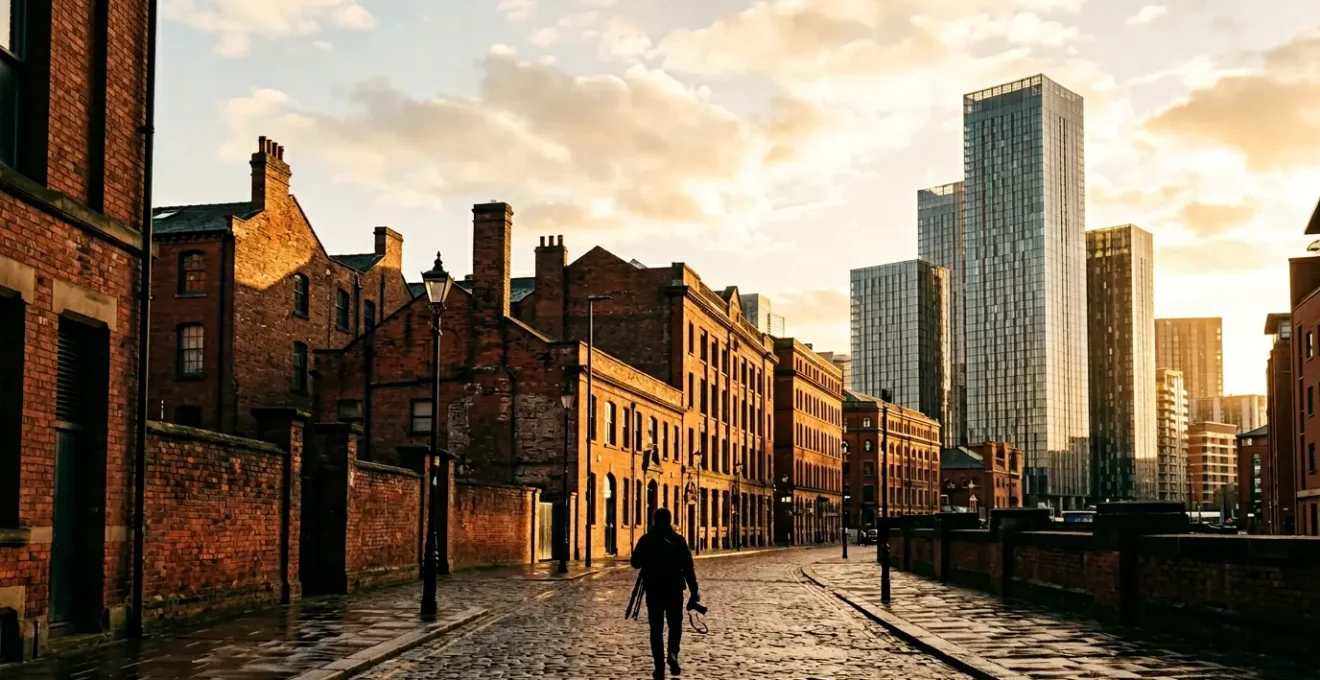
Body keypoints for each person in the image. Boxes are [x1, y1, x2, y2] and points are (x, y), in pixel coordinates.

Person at [630, 507, 699, 679]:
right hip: (674, 589)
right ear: (669, 521)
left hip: (654, 589)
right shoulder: (678, 540)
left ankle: (659, 666)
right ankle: (673, 653)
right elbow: (688, 568)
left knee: (656, 629)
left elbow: (635, 562)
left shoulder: (646, 540)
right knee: (675, 625)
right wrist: (694, 591)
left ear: (654, 520)